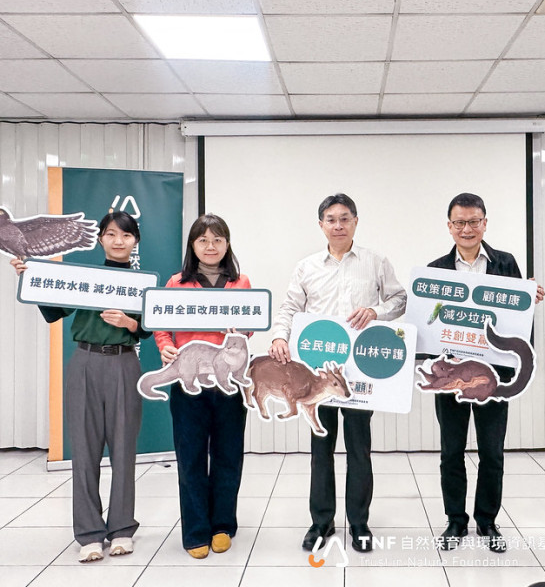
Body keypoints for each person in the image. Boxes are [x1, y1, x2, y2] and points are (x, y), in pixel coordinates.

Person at [268, 193, 406, 553]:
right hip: (317, 373)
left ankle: (359, 523)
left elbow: (399, 299)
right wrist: (280, 336)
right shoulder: (307, 267)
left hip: (360, 371)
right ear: (321, 225)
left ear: (356, 222)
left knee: (359, 449)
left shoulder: (376, 262)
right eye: (331, 219)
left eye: (345, 218)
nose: (338, 225)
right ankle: (322, 522)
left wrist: (375, 312)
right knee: (321, 448)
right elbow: (289, 307)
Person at [10, 211, 150, 563]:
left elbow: (149, 328)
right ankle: (89, 534)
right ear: (100, 238)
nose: (118, 241)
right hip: (85, 362)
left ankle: (122, 529)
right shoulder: (82, 278)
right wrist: (30, 279)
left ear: (135, 241)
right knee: (84, 452)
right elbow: (53, 311)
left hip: (123, 363)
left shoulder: (143, 282)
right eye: (111, 234)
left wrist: (129, 323)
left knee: (124, 451)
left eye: (126, 235)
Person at [427, 193, 545, 553]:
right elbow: (429, 323)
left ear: (485, 223)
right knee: (451, 451)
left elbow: (518, 322)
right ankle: (455, 521)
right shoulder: (435, 270)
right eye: (460, 222)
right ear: (449, 226)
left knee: (492, 452)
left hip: (492, 376)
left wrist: (528, 298)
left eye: (474, 221)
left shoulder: (505, 263)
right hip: (451, 378)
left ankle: (487, 520)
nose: (467, 229)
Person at [153, 215, 250, 559]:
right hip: (188, 381)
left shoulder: (240, 282)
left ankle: (222, 525)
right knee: (191, 456)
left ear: (227, 244)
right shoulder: (177, 283)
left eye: (218, 239)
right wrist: (165, 345)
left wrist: (242, 329)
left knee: (228, 456)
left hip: (228, 382)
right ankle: (195, 530)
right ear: (192, 246)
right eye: (203, 240)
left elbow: (249, 327)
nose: (211, 246)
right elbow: (161, 324)